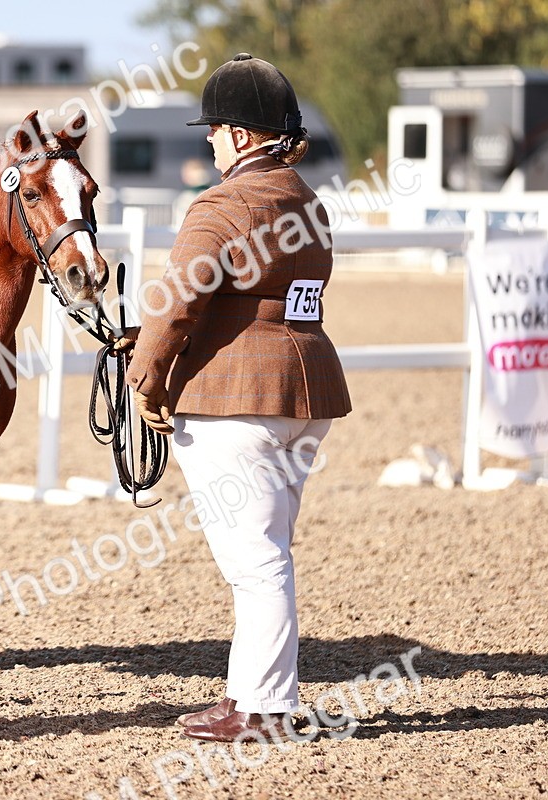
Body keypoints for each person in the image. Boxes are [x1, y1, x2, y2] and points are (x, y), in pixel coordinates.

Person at [118, 53, 352, 742]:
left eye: (216, 128)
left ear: (244, 136)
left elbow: (178, 304)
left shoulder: (221, 204)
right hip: (304, 391)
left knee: (256, 561)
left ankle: (264, 708)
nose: (210, 140)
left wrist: (145, 376)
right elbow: (265, 298)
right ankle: (251, 694)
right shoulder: (308, 203)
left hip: (237, 400)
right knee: (268, 551)